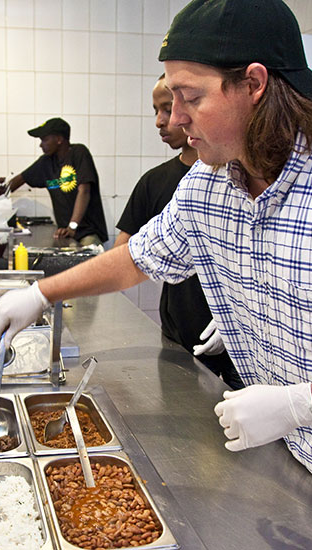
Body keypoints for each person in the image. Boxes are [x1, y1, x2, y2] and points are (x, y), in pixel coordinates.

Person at [0, 1, 312, 548]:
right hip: (280, 466)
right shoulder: (212, 183)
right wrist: (41, 293)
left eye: (191, 97)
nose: (176, 117)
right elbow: (138, 257)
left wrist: (303, 404)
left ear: (254, 83)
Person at [115, 74, 242, 389]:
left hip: (244, 342)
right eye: (157, 111)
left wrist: (237, 320)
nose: (165, 120)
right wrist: (48, 291)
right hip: (181, 334)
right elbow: (126, 254)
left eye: (169, 108)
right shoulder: (164, 182)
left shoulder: (239, 178)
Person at [8, 117, 108, 246]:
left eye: (44, 139)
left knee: (91, 260)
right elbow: (20, 179)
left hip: (87, 232)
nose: (41, 144)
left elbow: (84, 191)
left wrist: (72, 226)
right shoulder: (46, 162)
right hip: (66, 233)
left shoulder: (79, 153)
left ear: (59, 139)